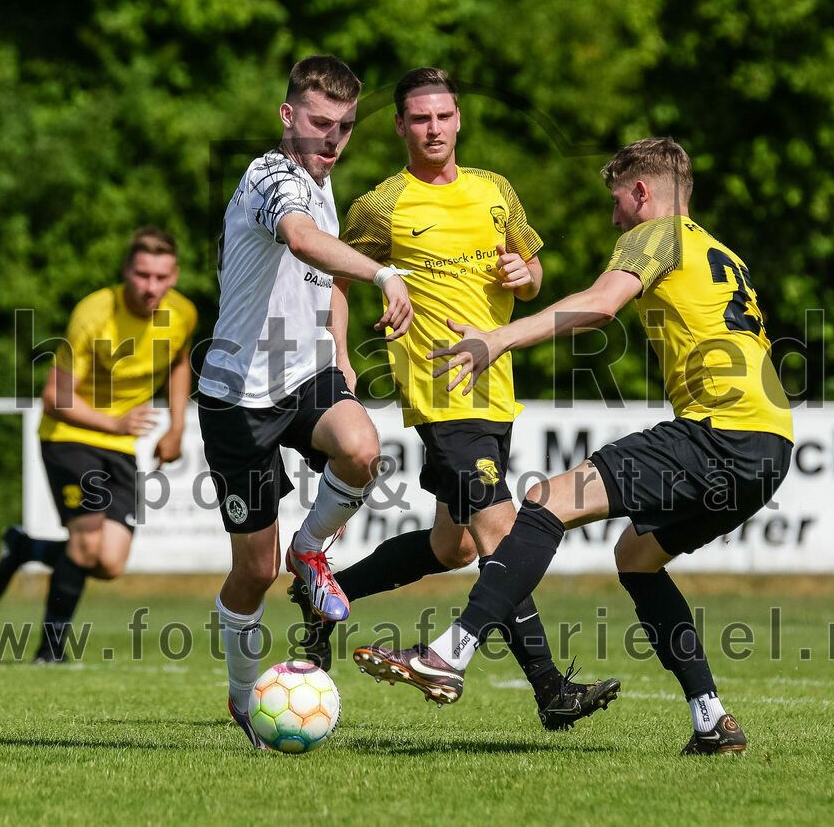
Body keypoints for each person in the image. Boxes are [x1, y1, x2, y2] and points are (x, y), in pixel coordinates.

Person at [355, 137, 794, 755]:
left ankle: (449, 653)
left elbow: (599, 305)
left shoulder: (654, 235)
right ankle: (710, 718)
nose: (614, 218)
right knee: (636, 557)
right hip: (771, 448)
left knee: (546, 501)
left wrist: (498, 339)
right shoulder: (723, 251)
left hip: (719, 432)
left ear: (643, 192)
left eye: (617, 201)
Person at [296, 67, 618, 731]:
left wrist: (523, 275)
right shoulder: (382, 204)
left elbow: (530, 276)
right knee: (503, 536)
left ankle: (329, 593)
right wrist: (338, 358)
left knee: (455, 549)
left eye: (443, 116)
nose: (433, 128)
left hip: (496, 392)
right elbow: (338, 275)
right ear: (400, 126)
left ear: (459, 119)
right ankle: (552, 691)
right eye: (419, 119)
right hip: (441, 395)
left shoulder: (495, 190)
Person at [196, 55, 413, 751]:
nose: (333, 138)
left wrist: (340, 352)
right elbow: (300, 240)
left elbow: (323, 277)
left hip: (304, 375)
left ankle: (311, 550)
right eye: (320, 122)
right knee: (252, 573)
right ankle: (241, 697)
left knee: (361, 447)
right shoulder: (270, 177)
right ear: (288, 117)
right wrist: (384, 272)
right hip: (237, 397)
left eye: (345, 126)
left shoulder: (322, 183)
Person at [0, 227, 197, 663]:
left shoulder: (183, 313)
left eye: (160, 276)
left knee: (110, 563)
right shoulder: (94, 314)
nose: (150, 286)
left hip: (120, 443)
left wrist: (176, 427)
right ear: (126, 272)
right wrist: (114, 422)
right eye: (142, 275)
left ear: (174, 275)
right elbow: (55, 397)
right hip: (70, 436)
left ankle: (25, 548)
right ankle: (50, 652)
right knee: (85, 546)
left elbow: (178, 361)